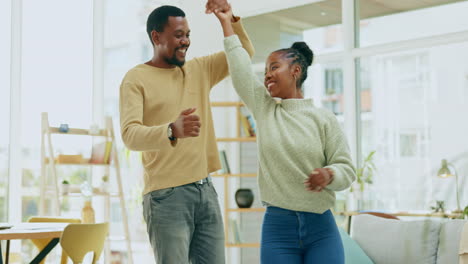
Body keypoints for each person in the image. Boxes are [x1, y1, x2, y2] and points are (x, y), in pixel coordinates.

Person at [213, 5, 356, 264]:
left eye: (274, 67)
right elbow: (241, 70)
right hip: (278, 229)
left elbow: (347, 169)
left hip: (321, 228)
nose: (267, 74)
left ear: (296, 71)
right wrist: (226, 23)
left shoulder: (323, 118)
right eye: (266, 68)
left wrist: (329, 174)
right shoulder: (266, 110)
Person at [119, 2, 254, 263]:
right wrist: (171, 130)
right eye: (178, 35)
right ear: (156, 37)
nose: (186, 41)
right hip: (166, 197)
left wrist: (228, 20)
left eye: (188, 35)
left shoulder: (199, 69)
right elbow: (129, 134)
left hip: (206, 191)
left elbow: (244, 53)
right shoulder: (136, 79)